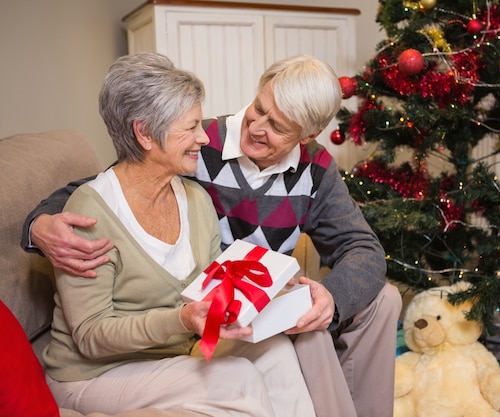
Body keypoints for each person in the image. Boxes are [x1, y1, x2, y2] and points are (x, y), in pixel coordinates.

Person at [23, 54, 402, 417]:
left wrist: (330, 298)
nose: (256, 127)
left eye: (279, 126)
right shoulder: (198, 145)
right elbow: (118, 184)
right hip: (198, 312)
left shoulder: (314, 168)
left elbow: (363, 247)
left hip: (244, 303)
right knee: (282, 353)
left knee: (374, 301)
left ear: (309, 135)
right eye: (259, 108)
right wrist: (39, 223)